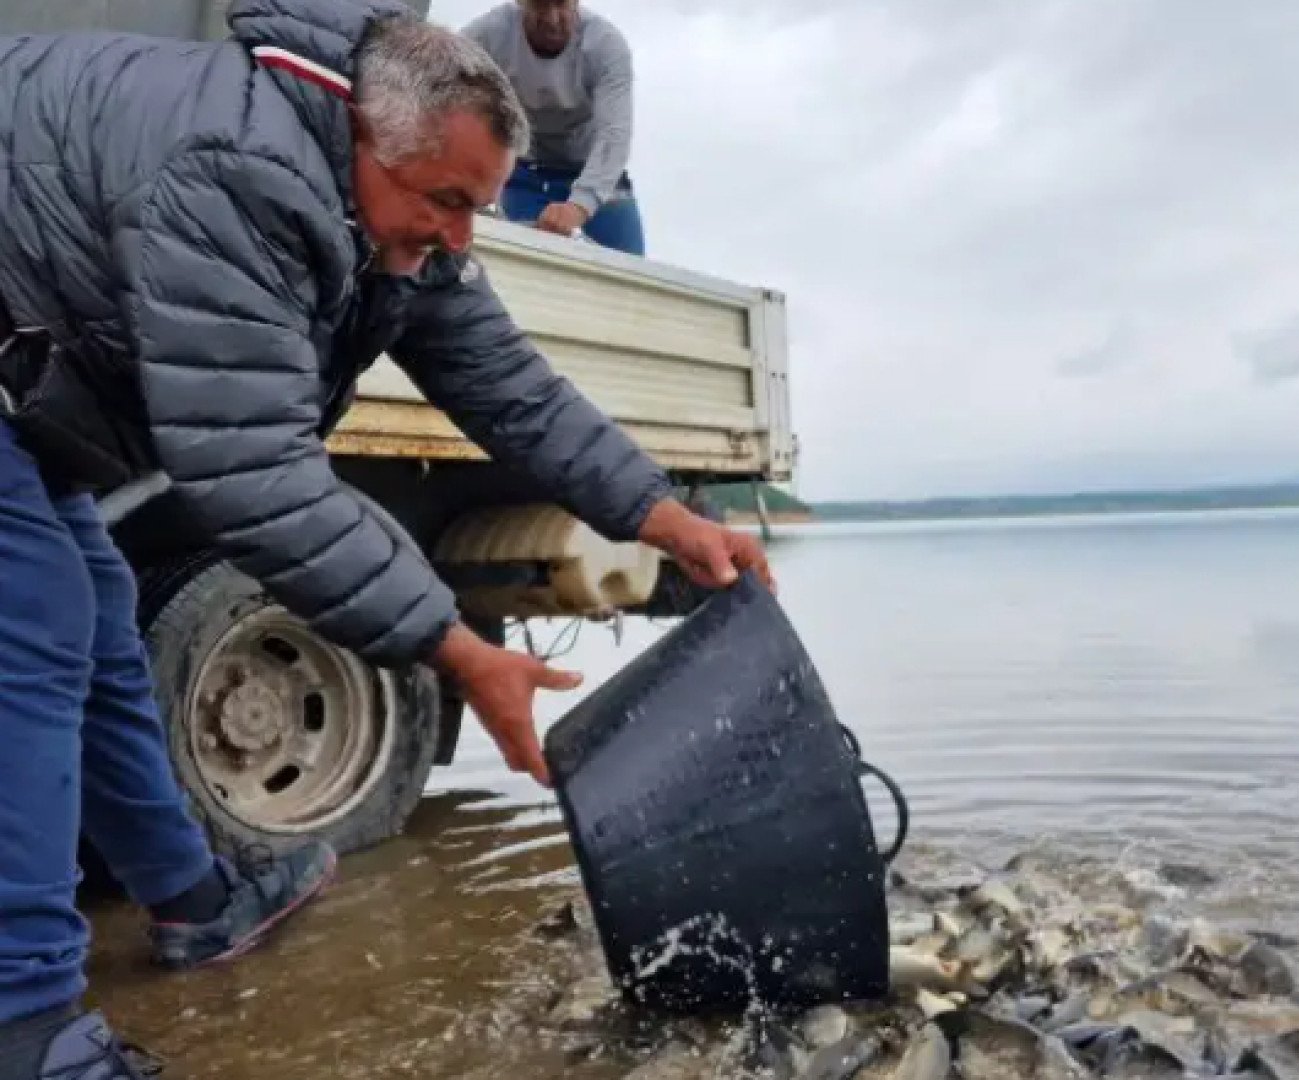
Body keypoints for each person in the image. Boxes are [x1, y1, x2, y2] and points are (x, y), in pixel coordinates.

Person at [0, 0, 769, 1075]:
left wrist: (662, 512)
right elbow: (255, 473)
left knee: (96, 627)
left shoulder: (395, 210)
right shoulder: (240, 172)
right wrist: (458, 649)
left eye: (480, 206)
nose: (463, 237)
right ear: (365, 138)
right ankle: (28, 1028)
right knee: (28, 638)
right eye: (448, 203)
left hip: (33, 381)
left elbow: (510, 388)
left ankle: (193, 902)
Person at [462, 0, 646, 255]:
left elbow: (614, 134)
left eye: (561, 4)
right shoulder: (487, 34)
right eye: (539, 6)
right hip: (524, 173)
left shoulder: (606, 45)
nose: (551, 19)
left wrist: (579, 206)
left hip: (596, 173)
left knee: (632, 272)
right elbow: (442, 95)